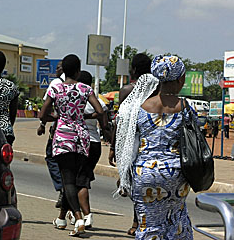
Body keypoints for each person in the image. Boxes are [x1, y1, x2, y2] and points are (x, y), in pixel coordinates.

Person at [116, 55, 196, 239]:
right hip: (176, 173)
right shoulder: (184, 107)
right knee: (176, 222)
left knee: (148, 225)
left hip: (144, 174)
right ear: (180, 79)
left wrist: (124, 174)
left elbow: (131, 143)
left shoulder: (140, 107)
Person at [38, 54, 104, 237]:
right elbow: (99, 111)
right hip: (82, 137)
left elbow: (43, 114)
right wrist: (83, 117)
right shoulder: (85, 89)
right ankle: (67, 217)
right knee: (75, 179)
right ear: (78, 70)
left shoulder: (56, 88)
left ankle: (78, 217)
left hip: (63, 137)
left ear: (64, 71)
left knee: (67, 180)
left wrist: (56, 118)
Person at [109, 53, 154, 236]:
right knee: (141, 184)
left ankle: (137, 222)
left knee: (134, 184)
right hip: (150, 142)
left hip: (131, 143)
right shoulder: (156, 89)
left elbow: (120, 122)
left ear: (133, 69)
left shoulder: (126, 90)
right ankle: (139, 221)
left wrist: (113, 147)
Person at [74, 70, 108, 229]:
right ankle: (71, 213)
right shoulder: (98, 102)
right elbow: (105, 122)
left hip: (80, 143)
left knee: (80, 181)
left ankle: (87, 215)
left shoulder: (75, 98)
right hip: (95, 144)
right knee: (81, 178)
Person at [37, 62, 64, 208]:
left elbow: (45, 109)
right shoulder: (81, 85)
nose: (56, 69)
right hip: (80, 133)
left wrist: (42, 123)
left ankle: (62, 187)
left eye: (59, 67)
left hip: (59, 131)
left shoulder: (56, 83)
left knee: (51, 157)